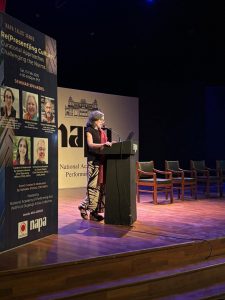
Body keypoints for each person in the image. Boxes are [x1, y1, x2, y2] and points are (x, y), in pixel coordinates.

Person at [78, 110, 112, 222]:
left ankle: (90, 210)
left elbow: (104, 145)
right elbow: (91, 145)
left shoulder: (101, 132)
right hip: (93, 162)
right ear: (95, 120)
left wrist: (111, 144)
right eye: (101, 119)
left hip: (100, 162)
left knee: (97, 188)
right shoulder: (89, 130)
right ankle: (87, 208)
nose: (103, 121)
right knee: (92, 188)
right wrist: (103, 144)